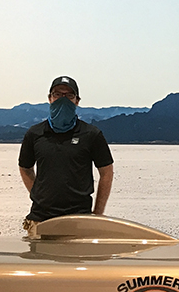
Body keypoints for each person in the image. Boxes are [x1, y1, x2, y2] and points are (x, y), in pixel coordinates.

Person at [18, 75, 114, 227]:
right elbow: (25, 168)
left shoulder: (91, 134)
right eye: (58, 94)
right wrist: (37, 194)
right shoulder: (35, 134)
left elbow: (107, 172)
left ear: (77, 101)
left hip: (79, 219)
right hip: (40, 219)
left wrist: (97, 214)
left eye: (69, 95)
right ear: (50, 98)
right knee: (36, 251)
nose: (63, 99)